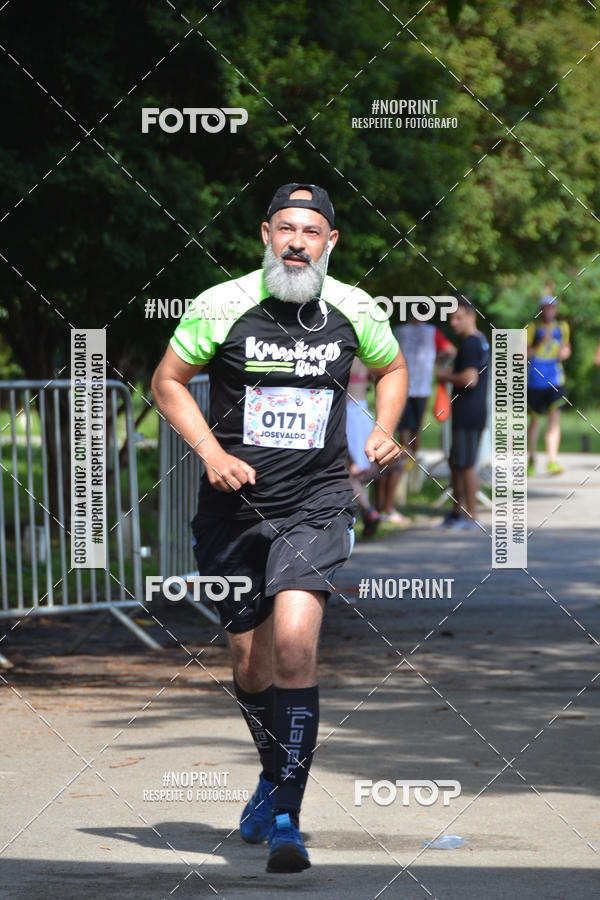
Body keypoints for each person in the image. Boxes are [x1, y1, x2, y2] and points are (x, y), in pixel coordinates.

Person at [151, 183, 407, 874]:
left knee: (295, 648)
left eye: (312, 231)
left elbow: (392, 367)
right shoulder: (221, 304)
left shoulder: (355, 308)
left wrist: (383, 429)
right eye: (286, 228)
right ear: (266, 234)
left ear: (331, 243)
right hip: (235, 509)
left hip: (316, 502)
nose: (298, 241)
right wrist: (211, 453)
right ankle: (273, 776)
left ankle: (289, 818)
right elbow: (168, 380)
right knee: (250, 663)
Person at [436, 296, 489, 529]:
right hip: (470, 412)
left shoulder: (470, 343)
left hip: (468, 412)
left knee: (466, 464)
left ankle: (470, 516)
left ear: (472, 316)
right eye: (451, 319)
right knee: (456, 462)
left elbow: (469, 380)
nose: (454, 323)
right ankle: (456, 512)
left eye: (458, 318)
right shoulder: (479, 341)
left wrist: (445, 375)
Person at [393, 311, 456, 501]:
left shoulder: (399, 331)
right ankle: (411, 470)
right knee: (415, 428)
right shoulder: (431, 332)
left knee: (404, 428)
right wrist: (436, 362)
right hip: (420, 385)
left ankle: (406, 471)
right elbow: (451, 351)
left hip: (401, 383)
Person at [526, 295, 571, 476]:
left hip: (556, 380)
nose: (549, 311)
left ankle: (552, 460)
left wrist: (564, 353)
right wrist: (540, 342)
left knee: (554, 420)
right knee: (535, 421)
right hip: (535, 381)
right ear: (541, 310)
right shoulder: (532, 328)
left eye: (552, 307)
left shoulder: (563, 327)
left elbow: (566, 349)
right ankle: (531, 458)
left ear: (556, 310)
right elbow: (523, 353)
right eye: (545, 307)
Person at [345, 357, 381, 537]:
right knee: (356, 469)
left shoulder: (346, 355)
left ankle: (367, 510)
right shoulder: (366, 357)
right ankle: (367, 510)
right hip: (363, 409)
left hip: (349, 411)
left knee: (350, 470)